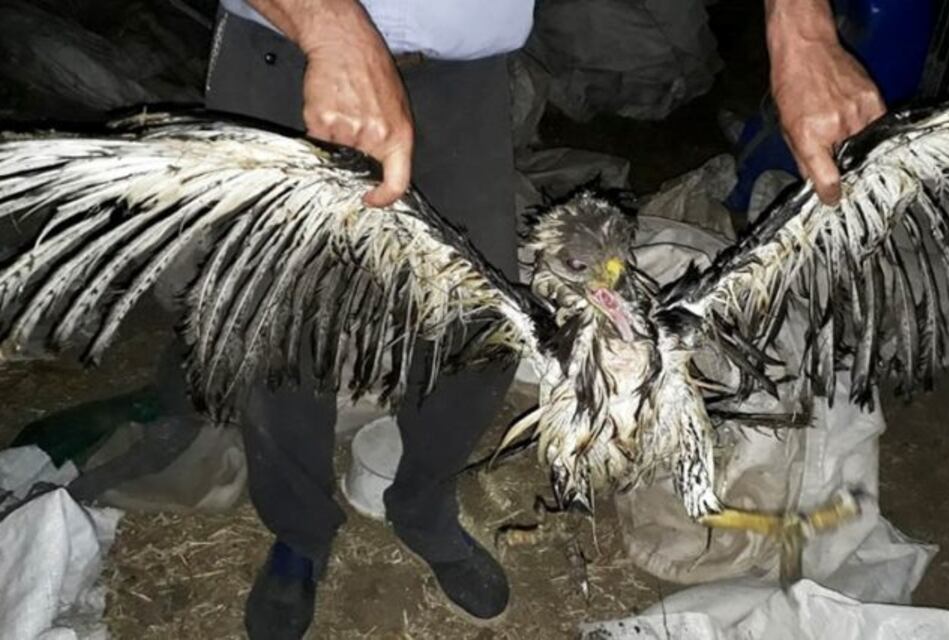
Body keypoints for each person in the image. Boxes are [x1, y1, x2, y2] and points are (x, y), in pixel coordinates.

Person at [28, 0, 886, 637]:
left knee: (479, 334)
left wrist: (802, 27)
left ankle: (422, 502)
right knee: (281, 332)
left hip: (465, 78)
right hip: (287, 51)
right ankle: (300, 531)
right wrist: (330, 24)